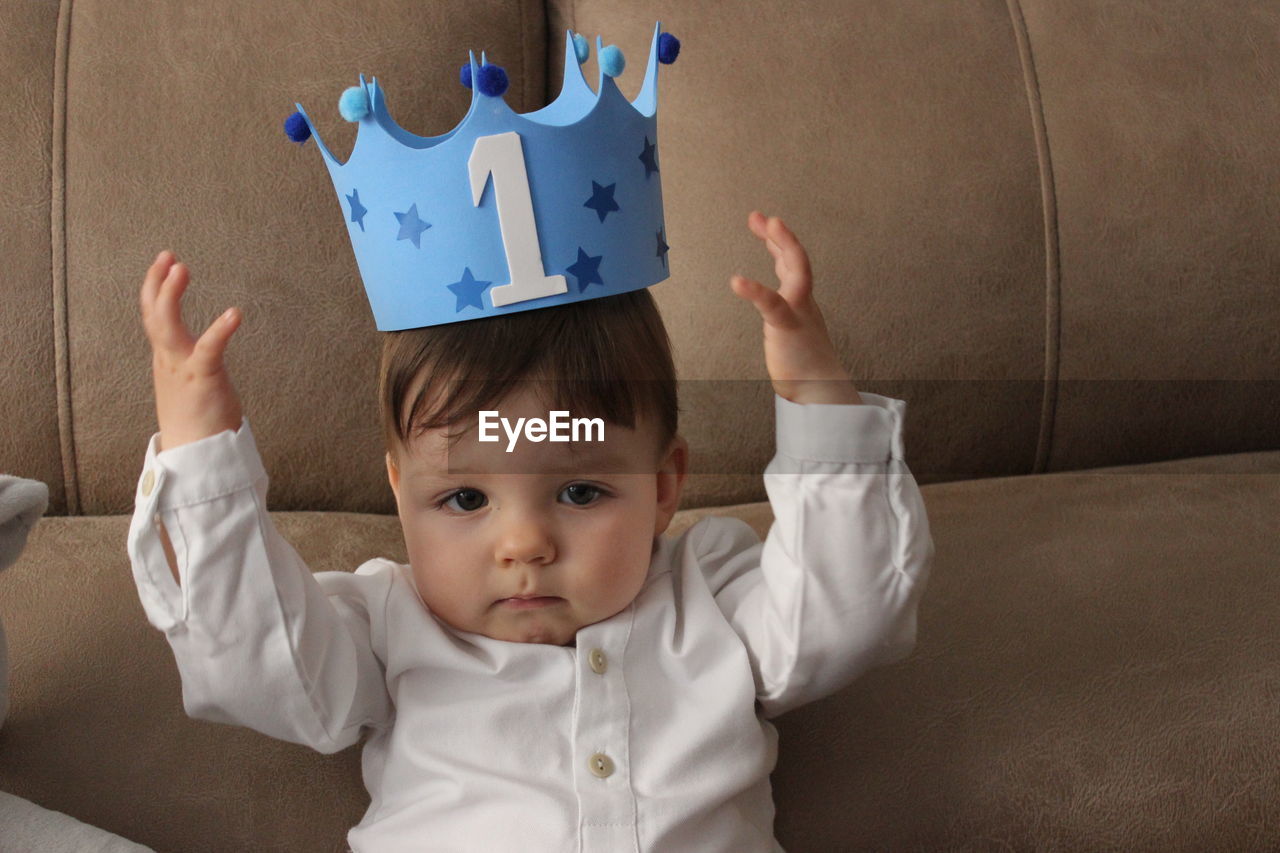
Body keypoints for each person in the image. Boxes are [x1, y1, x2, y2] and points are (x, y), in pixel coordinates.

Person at [128, 27, 933, 852]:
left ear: (663, 487)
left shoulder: (716, 593)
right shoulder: (381, 625)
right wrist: (202, 455)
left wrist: (817, 397)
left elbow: (850, 613)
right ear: (400, 494)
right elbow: (258, 665)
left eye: (581, 490)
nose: (524, 544)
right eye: (465, 497)